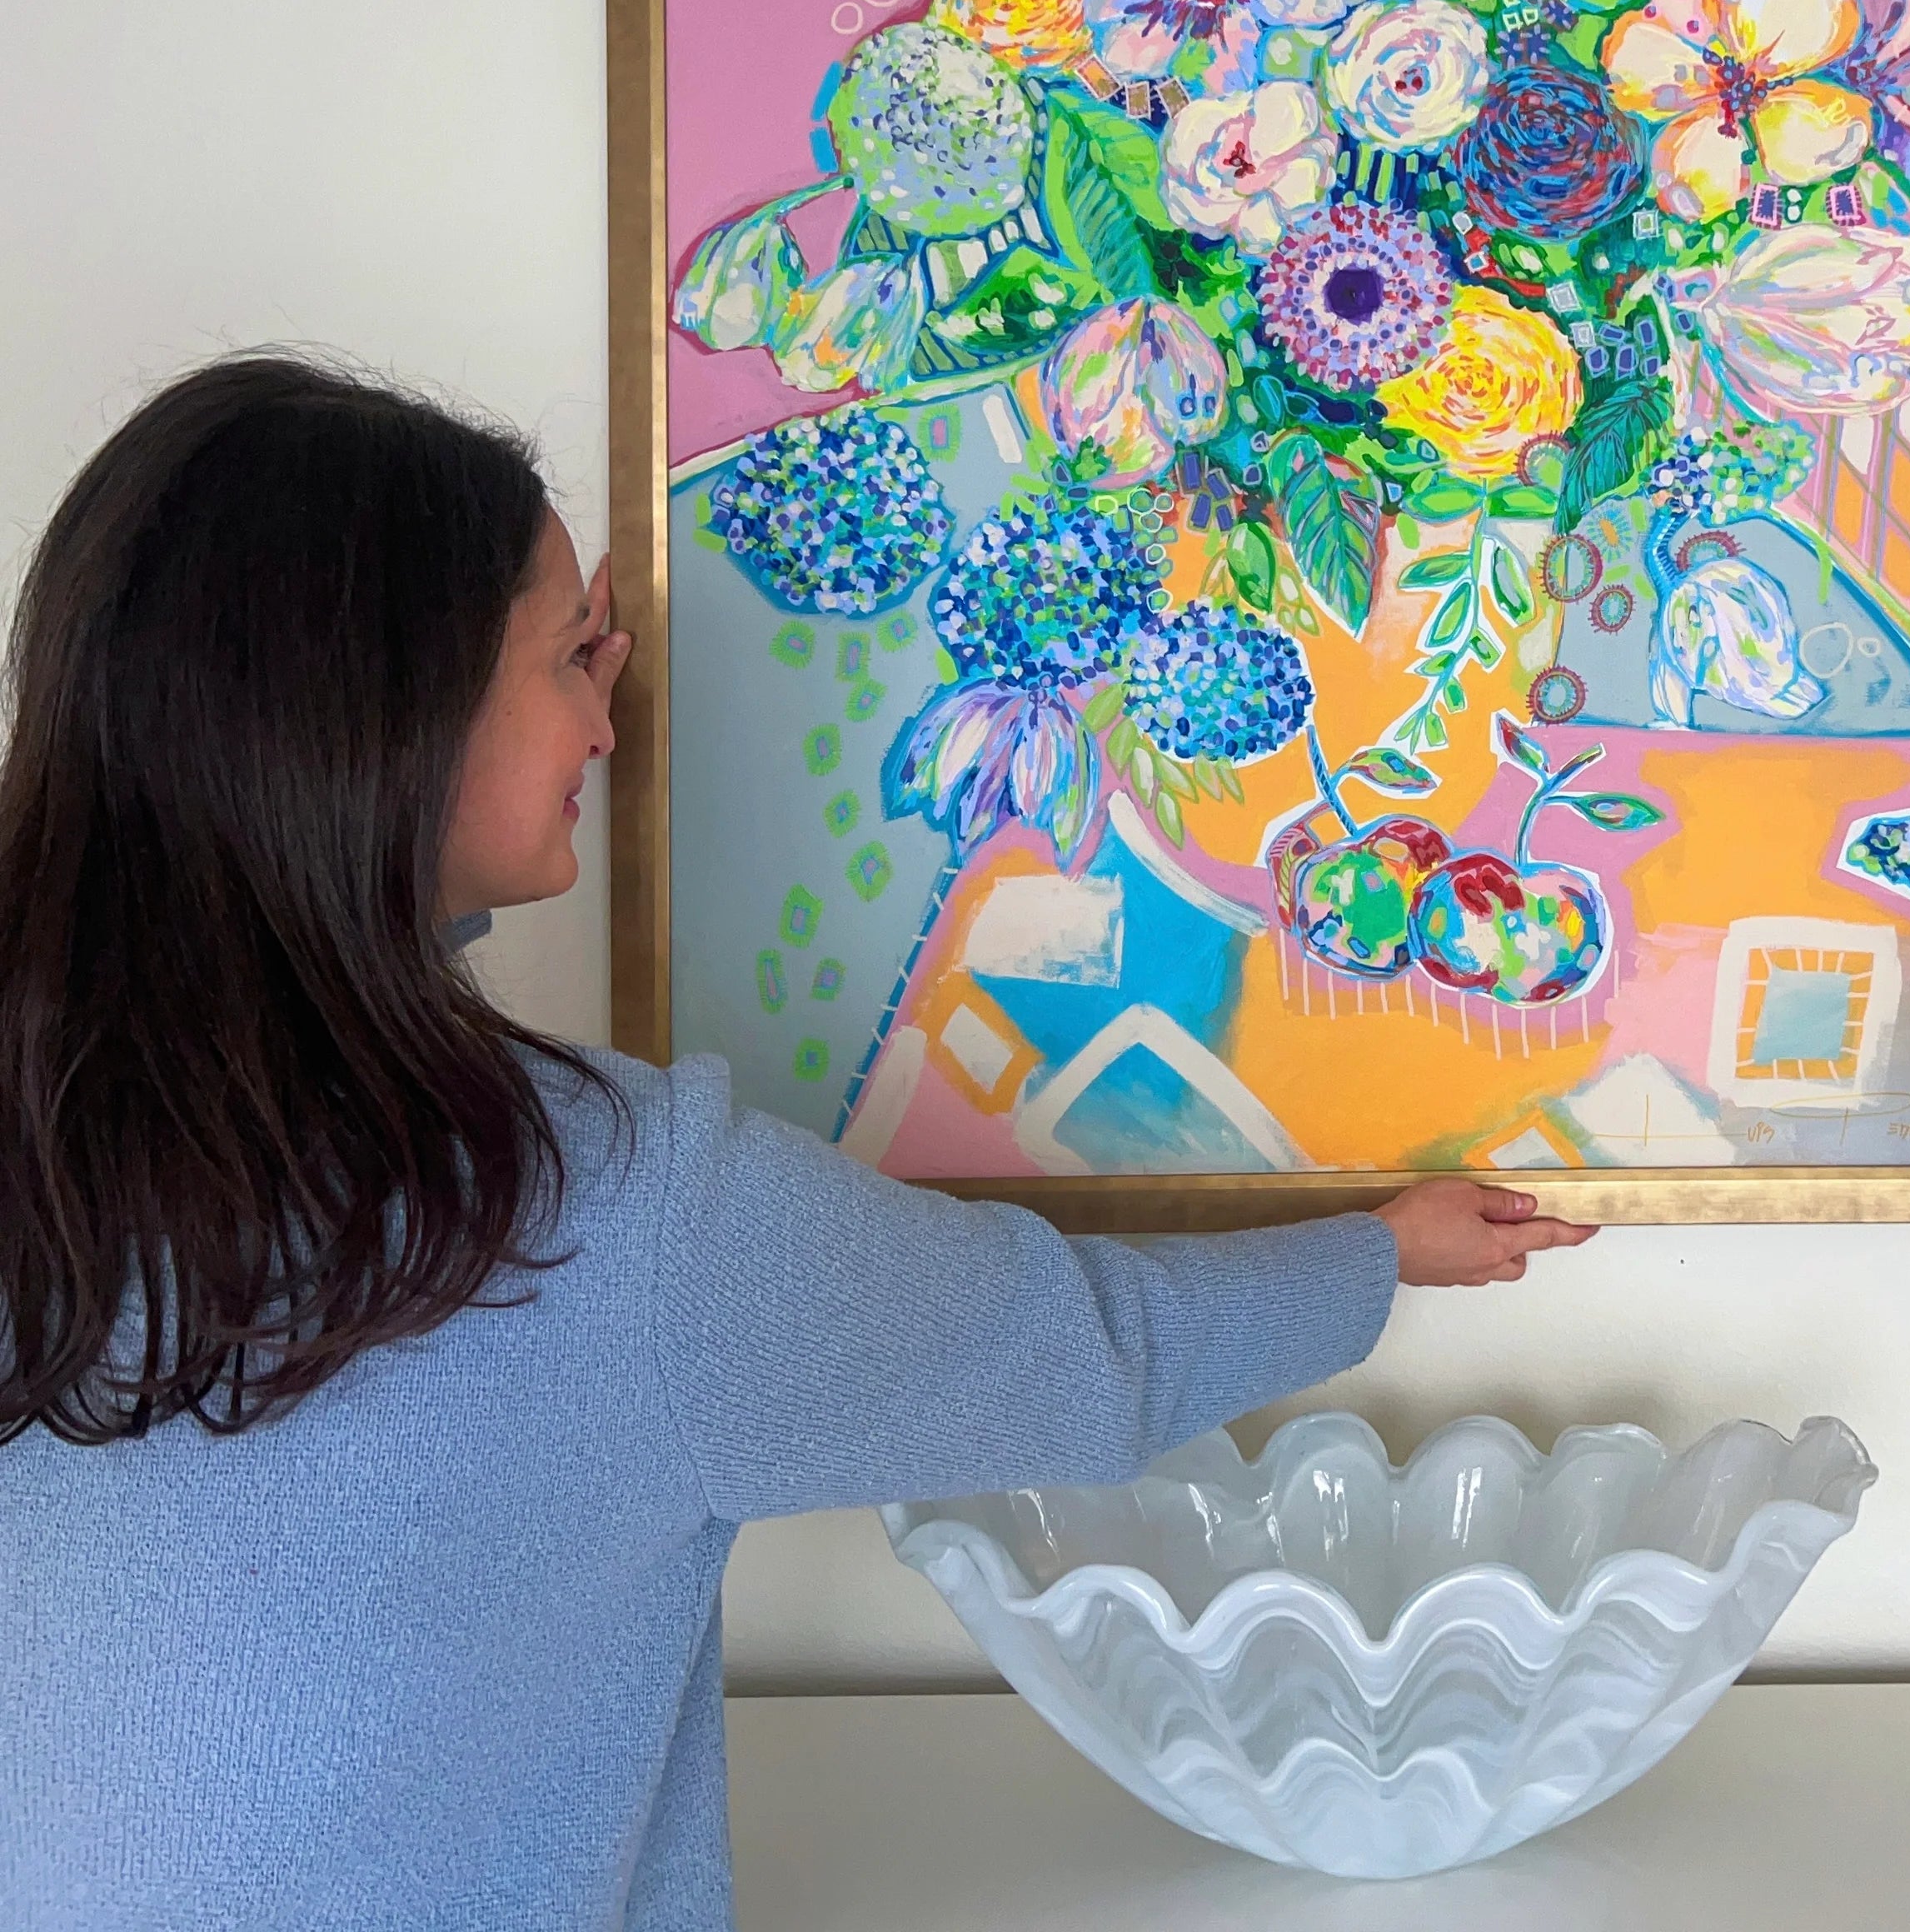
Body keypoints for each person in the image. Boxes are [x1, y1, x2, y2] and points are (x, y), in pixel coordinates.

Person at [0, 356, 1595, 1931]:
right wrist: (1379, 1255)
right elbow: (1083, 1353)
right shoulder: (608, 1215)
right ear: (390, 727)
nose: (607, 717)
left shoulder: (47, 1148)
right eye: (567, 661)